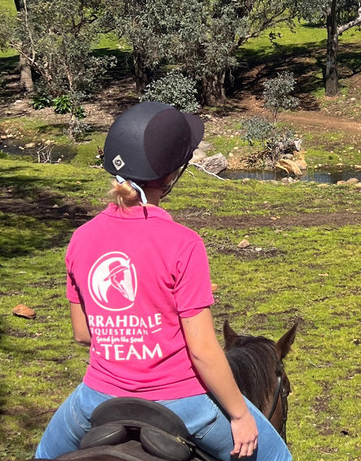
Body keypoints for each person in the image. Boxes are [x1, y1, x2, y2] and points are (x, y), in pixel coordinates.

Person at [34, 101, 291, 461]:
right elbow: (202, 350)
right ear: (170, 176)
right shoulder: (184, 244)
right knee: (279, 457)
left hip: (98, 395)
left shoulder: (81, 239)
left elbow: (82, 333)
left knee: (44, 455)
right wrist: (239, 415)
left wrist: (125, 337)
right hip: (181, 403)